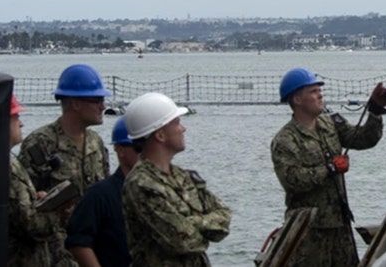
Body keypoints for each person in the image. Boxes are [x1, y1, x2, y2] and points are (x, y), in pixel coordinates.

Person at [270, 68, 386, 267]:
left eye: (320, 90)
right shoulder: (286, 140)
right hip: (309, 232)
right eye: (313, 91)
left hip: (340, 224)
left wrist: (375, 110)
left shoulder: (331, 125)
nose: (320, 95)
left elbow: (363, 139)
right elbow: (292, 180)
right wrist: (329, 169)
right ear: (297, 99)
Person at [121, 92, 230, 267]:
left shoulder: (183, 176)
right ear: (160, 135)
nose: (183, 128)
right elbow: (183, 241)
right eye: (177, 123)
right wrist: (205, 225)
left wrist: (192, 223)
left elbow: (224, 216)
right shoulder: (142, 184)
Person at [19, 63, 112, 267]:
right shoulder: (40, 144)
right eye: (97, 100)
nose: (103, 106)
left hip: (93, 252)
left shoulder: (96, 143)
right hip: (54, 256)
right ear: (75, 104)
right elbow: (24, 209)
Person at [64, 117, 137, 267]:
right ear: (121, 150)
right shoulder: (100, 195)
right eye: (139, 147)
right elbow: (78, 241)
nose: (147, 152)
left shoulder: (162, 189)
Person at [8, 93, 58, 267]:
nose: (21, 123)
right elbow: (31, 226)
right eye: (16, 117)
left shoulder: (4, 161)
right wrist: (57, 211)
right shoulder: (7, 168)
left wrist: (35, 200)